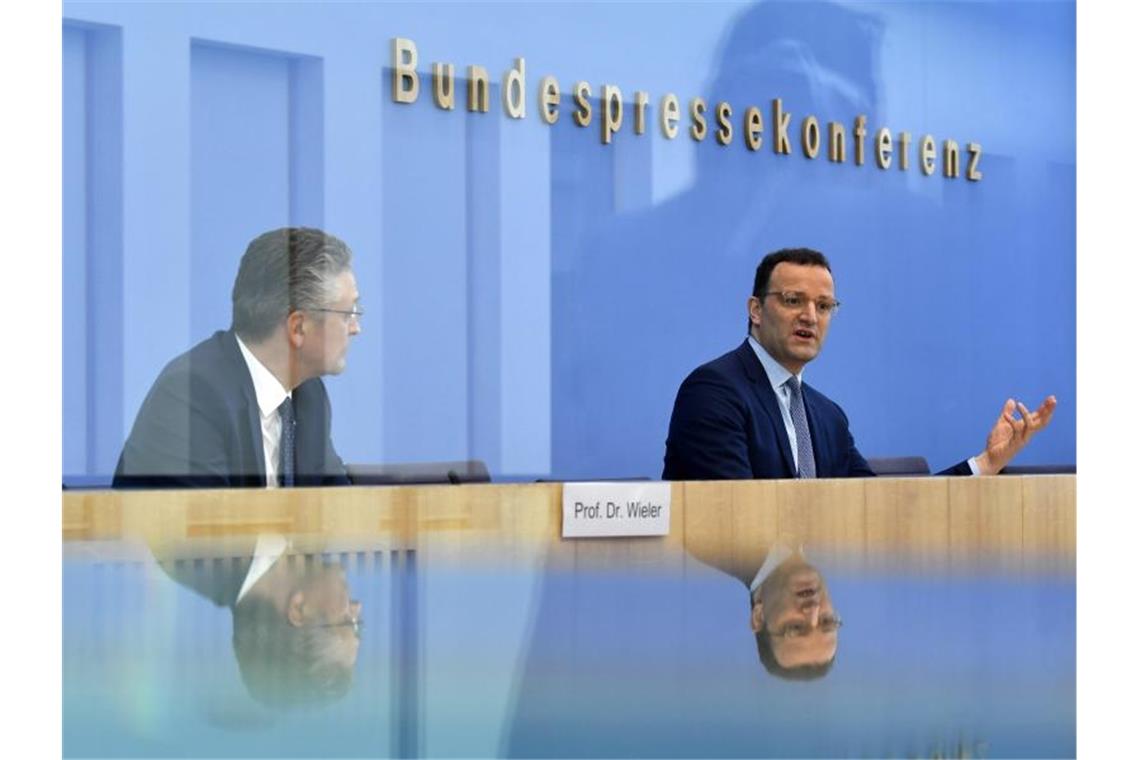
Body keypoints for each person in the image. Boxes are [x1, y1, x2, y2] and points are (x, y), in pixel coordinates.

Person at [663, 247, 1056, 480]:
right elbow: (732, 519)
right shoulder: (714, 391)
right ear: (756, 310)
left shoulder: (826, 415)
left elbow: (880, 505)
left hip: (815, 601)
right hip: (733, 608)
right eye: (792, 300)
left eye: (824, 306)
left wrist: (986, 463)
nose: (810, 317)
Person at [113, 227, 361, 488]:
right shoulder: (193, 394)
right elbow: (202, 523)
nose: (356, 328)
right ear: (298, 327)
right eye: (347, 314)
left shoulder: (309, 397)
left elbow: (337, 509)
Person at [157, 535, 362, 709]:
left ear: (299, 610)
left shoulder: (188, 550)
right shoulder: (316, 528)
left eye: (347, 621)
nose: (357, 606)